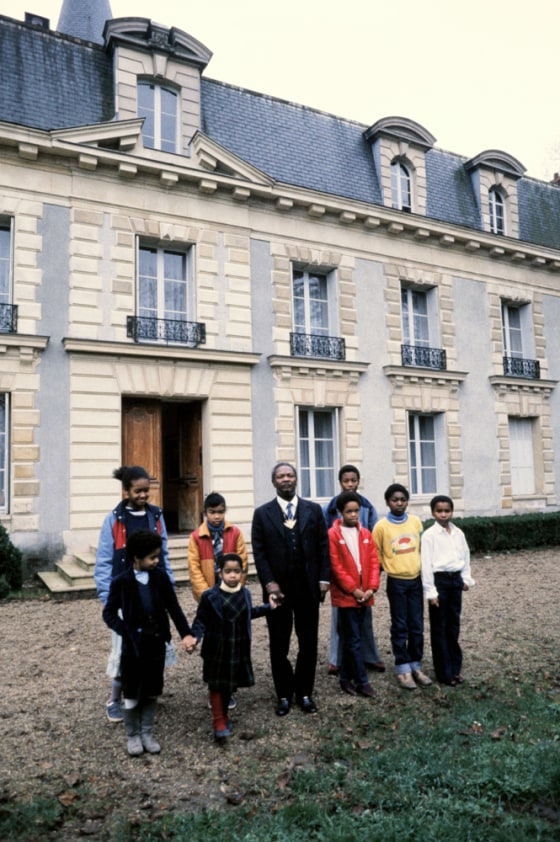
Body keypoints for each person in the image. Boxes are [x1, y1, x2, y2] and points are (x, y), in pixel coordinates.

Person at [102, 529, 197, 756]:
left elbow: (174, 608)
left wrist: (186, 634)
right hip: (133, 648)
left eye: (158, 557)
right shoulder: (121, 582)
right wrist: (125, 630)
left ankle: (147, 732)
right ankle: (132, 734)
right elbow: (109, 613)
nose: (157, 561)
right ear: (136, 557)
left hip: (156, 644)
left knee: (153, 690)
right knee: (133, 692)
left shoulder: (161, 578)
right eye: (152, 557)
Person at [94, 465, 175, 723]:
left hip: (152, 595)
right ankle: (115, 699)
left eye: (146, 491)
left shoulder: (156, 516)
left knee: (152, 646)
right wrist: (108, 597)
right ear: (126, 490)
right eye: (137, 491)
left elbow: (164, 557)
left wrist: (168, 589)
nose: (143, 496)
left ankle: (146, 693)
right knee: (124, 648)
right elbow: (104, 560)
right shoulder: (114, 520)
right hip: (126, 597)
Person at [251, 462, 330, 716]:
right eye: (280, 476)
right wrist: (269, 583)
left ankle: (304, 693)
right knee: (279, 643)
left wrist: (323, 578)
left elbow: (323, 547)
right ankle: (284, 694)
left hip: (307, 588)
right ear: (273, 482)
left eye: (290, 475)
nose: (286, 479)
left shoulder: (313, 510)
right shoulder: (262, 514)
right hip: (278, 592)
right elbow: (259, 552)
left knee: (308, 642)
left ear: (296, 479)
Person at [190, 553, 277, 740]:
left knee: (229, 683)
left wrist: (268, 607)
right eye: (228, 571)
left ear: (242, 573)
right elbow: (200, 620)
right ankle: (218, 720)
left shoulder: (244, 593)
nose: (232, 576)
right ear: (220, 573)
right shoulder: (210, 596)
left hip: (237, 647)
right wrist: (194, 637)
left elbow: (248, 613)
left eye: (237, 571)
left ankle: (225, 717)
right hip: (216, 649)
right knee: (215, 684)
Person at [187, 491, 249, 711]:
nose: (216, 517)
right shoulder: (196, 536)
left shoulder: (235, 533)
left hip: (231, 594)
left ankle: (230, 688)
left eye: (220, 512)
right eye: (212, 512)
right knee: (214, 644)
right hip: (210, 597)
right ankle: (214, 686)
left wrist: (235, 587)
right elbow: (194, 568)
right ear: (205, 513)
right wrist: (206, 595)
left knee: (233, 643)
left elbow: (243, 561)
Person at [323, 465, 385, 676]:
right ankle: (337, 659)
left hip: (363, 572)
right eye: (345, 480)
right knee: (339, 618)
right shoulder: (331, 507)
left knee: (364, 617)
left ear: (358, 481)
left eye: (353, 480)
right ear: (340, 482)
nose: (350, 484)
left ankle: (369, 656)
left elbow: (373, 537)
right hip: (342, 572)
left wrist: (373, 575)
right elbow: (325, 540)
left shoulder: (367, 506)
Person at [372, 483, 432, 691]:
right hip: (396, 582)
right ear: (388, 502)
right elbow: (376, 554)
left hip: (415, 580)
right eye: (394, 500)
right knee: (400, 625)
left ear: (407, 501)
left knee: (416, 624)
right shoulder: (381, 526)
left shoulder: (415, 522)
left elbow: (424, 548)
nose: (399, 503)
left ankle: (416, 664)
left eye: (403, 499)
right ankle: (402, 667)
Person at [328, 491, 380, 697]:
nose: (353, 515)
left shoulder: (366, 534)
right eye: (349, 511)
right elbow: (335, 566)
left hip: (365, 593)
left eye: (356, 511)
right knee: (353, 638)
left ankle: (344, 678)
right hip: (347, 595)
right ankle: (361, 681)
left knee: (354, 637)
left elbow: (374, 562)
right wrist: (353, 589)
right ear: (340, 512)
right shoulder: (333, 535)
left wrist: (371, 588)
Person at [421, 495, 475, 686]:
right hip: (439, 582)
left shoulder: (458, 533)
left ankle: (455, 668)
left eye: (447, 510)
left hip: (455, 581)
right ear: (433, 512)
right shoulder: (429, 536)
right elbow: (426, 565)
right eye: (439, 511)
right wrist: (431, 592)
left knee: (453, 625)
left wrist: (466, 579)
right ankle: (444, 673)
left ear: (452, 511)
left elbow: (465, 556)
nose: (443, 514)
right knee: (439, 628)